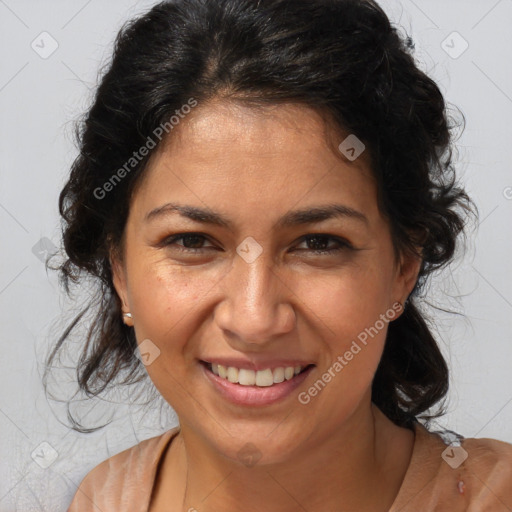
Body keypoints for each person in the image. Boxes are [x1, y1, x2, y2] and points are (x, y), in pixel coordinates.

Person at [44, 0, 512, 510]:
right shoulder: (100, 500)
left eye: (318, 243)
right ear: (120, 268)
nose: (254, 319)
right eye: (192, 241)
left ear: (403, 267)